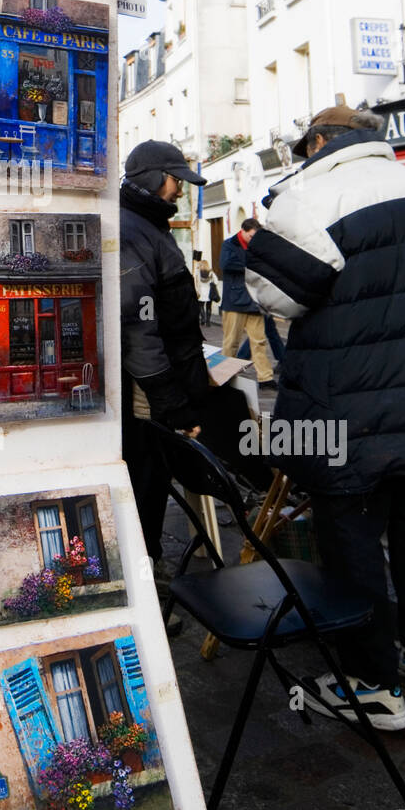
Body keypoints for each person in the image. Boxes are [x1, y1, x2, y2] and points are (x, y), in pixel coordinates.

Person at [245, 105, 405, 731]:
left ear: (320, 142)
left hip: (344, 415)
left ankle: (373, 685)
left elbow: (277, 294)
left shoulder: (307, 195)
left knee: (351, 546)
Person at [120, 142, 260, 627]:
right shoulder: (133, 228)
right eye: (176, 179)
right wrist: (169, 400)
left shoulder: (145, 226)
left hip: (168, 384)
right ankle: (142, 584)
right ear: (154, 178)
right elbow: (139, 328)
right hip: (152, 391)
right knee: (145, 478)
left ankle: (148, 570)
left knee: (153, 478)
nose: (180, 188)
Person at [219, 218, 276, 389]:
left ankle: (265, 378)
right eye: (251, 236)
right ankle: (224, 376)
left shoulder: (257, 246)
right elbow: (226, 264)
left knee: (259, 342)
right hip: (234, 301)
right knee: (231, 342)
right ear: (243, 231)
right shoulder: (229, 244)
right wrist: (251, 266)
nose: (253, 239)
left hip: (254, 301)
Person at [196, 260, 219, 327]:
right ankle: (208, 322)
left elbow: (195, 280)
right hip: (209, 293)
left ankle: (203, 319)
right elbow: (216, 281)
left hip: (201, 292)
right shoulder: (211, 273)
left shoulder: (198, 273)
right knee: (209, 307)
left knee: (201, 306)